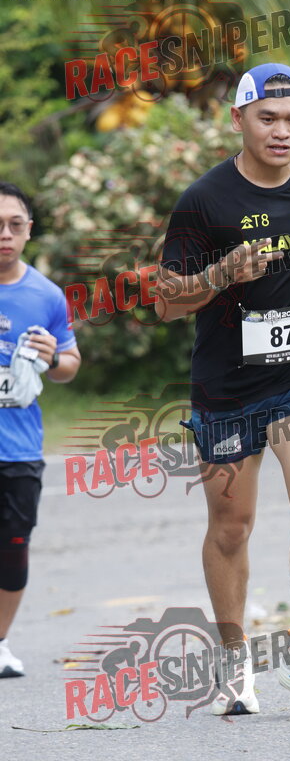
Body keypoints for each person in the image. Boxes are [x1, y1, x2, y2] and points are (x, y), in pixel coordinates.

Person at [156, 63, 290, 714]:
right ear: (238, 119)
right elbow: (166, 302)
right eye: (267, 118)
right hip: (225, 387)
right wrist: (221, 273)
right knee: (230, 527)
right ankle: (233, 659)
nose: (281, 131)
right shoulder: (203, 200)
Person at [0, 182, 81, 677]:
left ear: (29, 231)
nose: (5, 235)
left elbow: (70, 362)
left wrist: (54, 359)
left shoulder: (46, 295)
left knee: (12, 551)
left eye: (15, 225)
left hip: (19, 449)